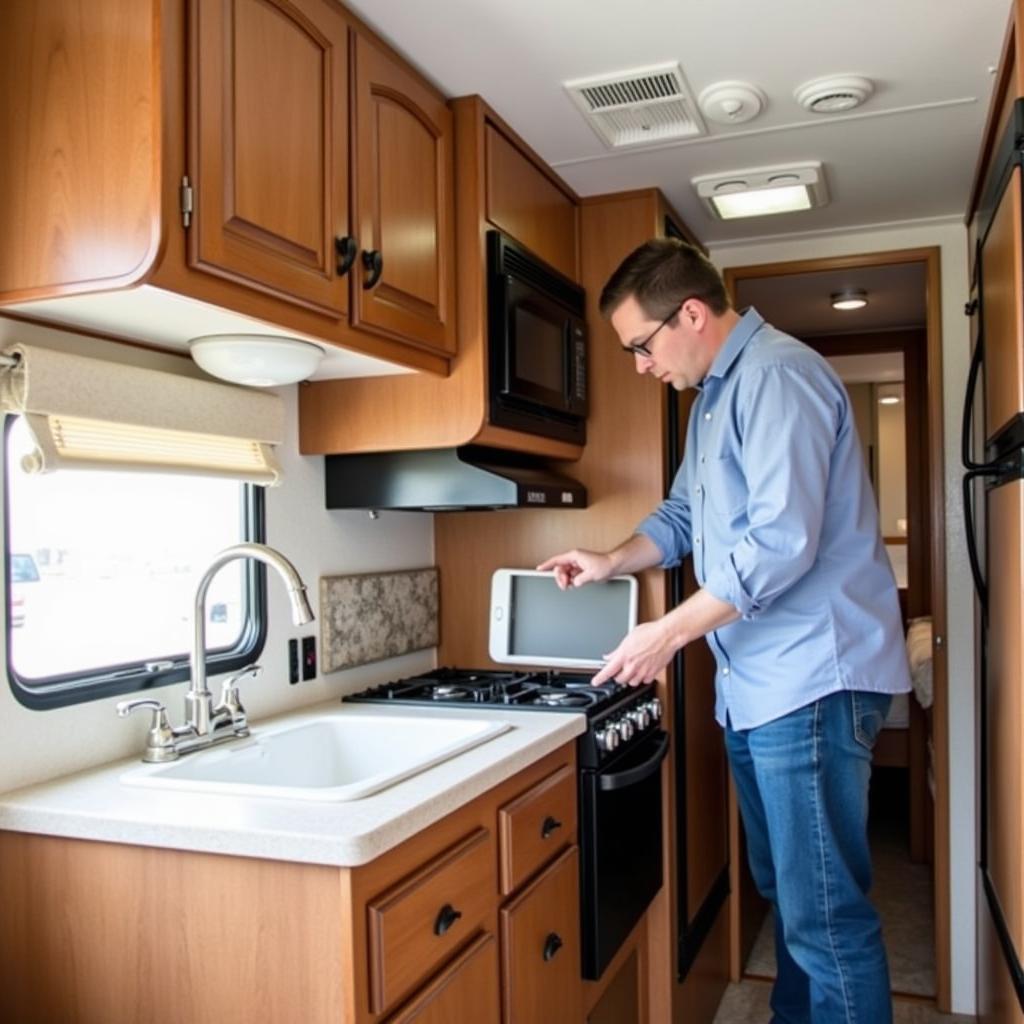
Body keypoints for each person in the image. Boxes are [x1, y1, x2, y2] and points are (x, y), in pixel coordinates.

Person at [538, 238, 911, 1024]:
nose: (640, 365)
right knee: (789, 893)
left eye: (640, 345)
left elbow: (780, 543)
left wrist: (666, 634)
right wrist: (611, 558)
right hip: (761, 686)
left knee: (826, 918)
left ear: (693, 314)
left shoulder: (777, 376)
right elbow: (682, 518)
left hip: (813, 680)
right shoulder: (713, 397)